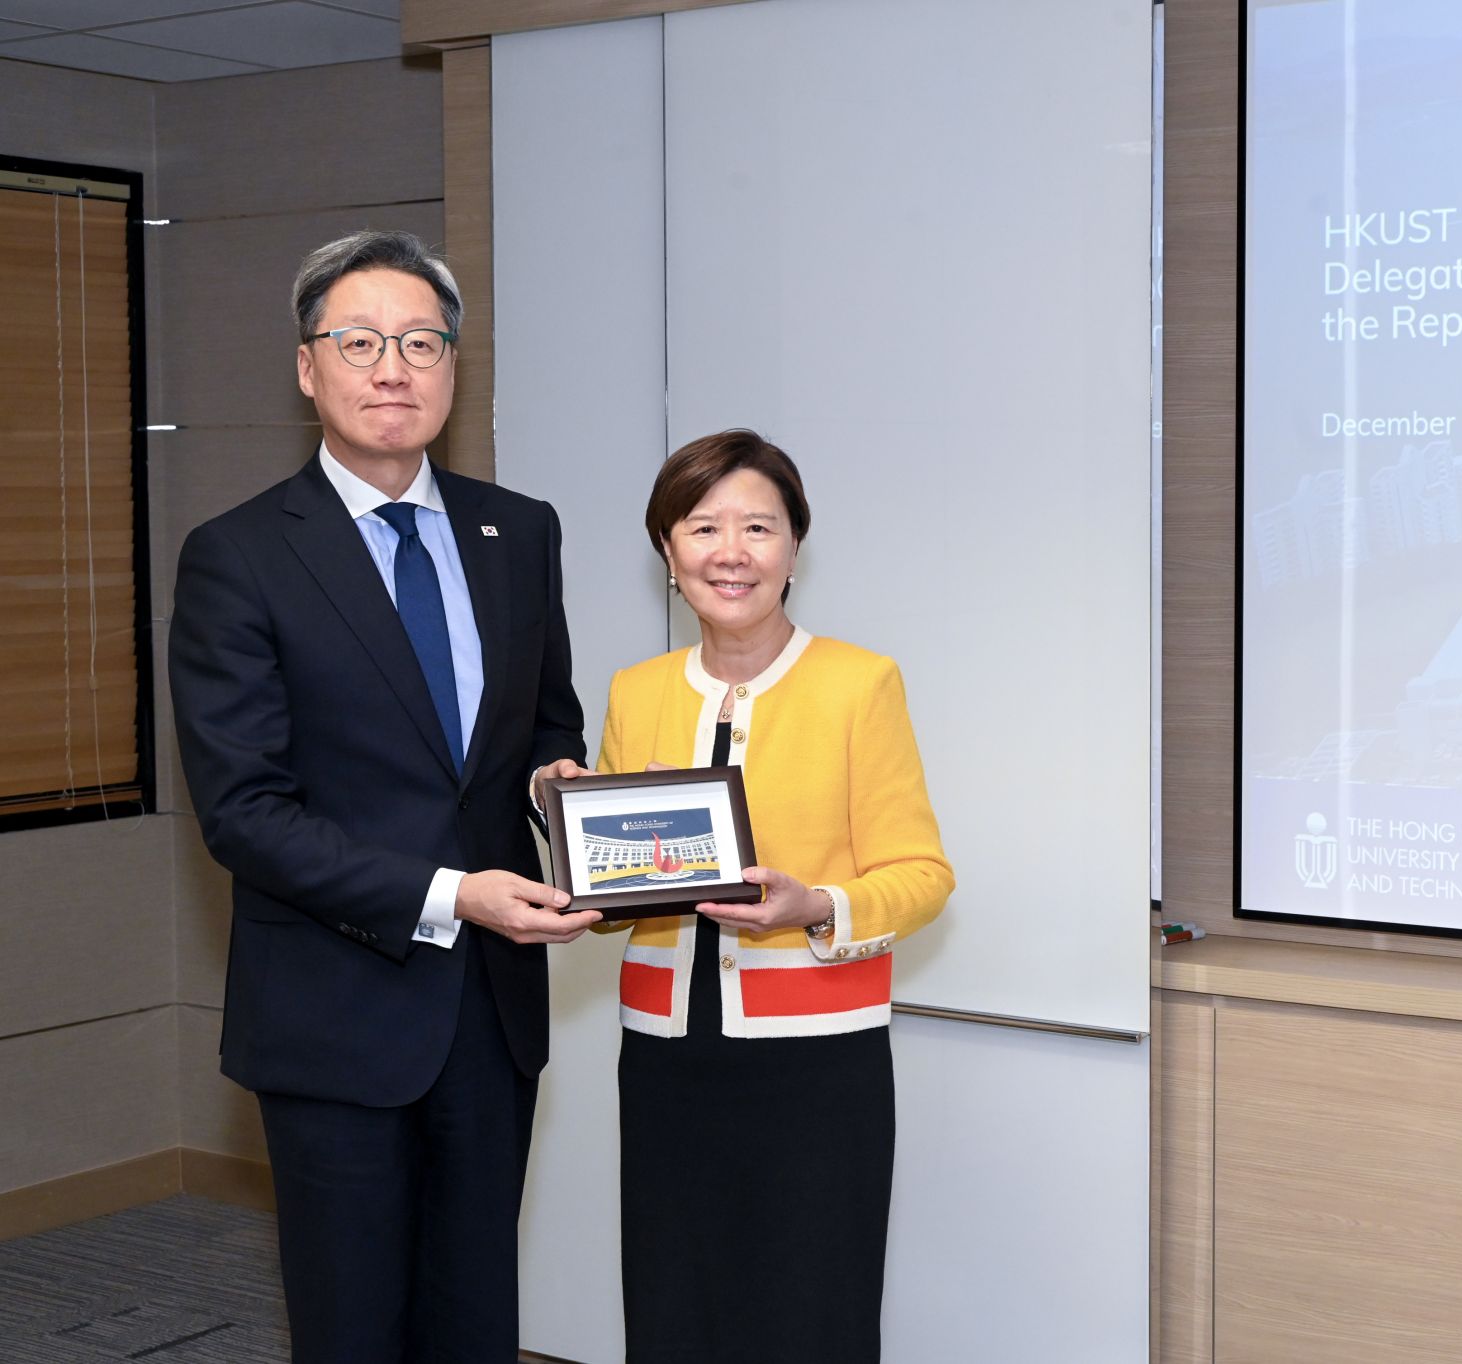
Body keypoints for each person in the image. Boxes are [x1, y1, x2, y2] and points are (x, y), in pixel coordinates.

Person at [168, 229, 602, 1362]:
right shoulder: (239, 555)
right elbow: (245, 812)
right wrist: (455, 892)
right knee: (352, 1323)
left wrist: (562, 787)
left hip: (492, 1014)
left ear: (454, 364)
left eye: (420, 341)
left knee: (473, 1317)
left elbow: (546, 721)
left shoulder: (520, 531)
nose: (392, 368)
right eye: (358, 341)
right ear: (308, 368)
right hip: (333, 1008)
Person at [590, 428, 953, 1363]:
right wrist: (569, 828)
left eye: (759, 527)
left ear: (795, 549)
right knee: (673, 1308)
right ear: (668, 554)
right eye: (702, 527)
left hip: (818, 1066)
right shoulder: (636, 691)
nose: (731, 552)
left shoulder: (858, 683)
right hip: (667, 1061)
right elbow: (621, 884)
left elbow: (922, 875)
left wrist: (817, 907)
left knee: (808, 1315)